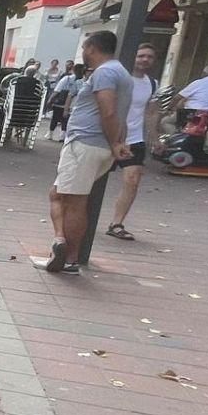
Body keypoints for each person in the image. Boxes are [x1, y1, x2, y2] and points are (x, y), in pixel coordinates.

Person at [43, 30, 132, 276]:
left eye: (84, 47)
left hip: (86, 143)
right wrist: (118, 142)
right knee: (59, 195)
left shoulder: (105, 73)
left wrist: (115, 142)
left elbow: (109, 110)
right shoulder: (122, 74)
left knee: (74, 201)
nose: (83, 52)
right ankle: (60, 241)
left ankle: (69, 256)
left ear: (92, 48)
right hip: (97, 145)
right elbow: (121, 114)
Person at [104, 43, 163, 242]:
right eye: (141, 56)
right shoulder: (120, 79)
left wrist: (154, 138)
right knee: (95, 179)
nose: (145, 60)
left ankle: (117, 223)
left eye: (149, 57)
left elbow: (152, 111)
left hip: (135, 138)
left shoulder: (152, 84)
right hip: (110, 137)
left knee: (133, 180)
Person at [48, 64, 82, 140]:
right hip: (72, 103)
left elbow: (57, 89)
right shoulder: (81, 81)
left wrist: (50, 99)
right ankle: (62, 135)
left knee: (55, 118)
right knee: (66, 119)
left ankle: (50, 134)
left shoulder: (67, 78)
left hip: (60, 102)